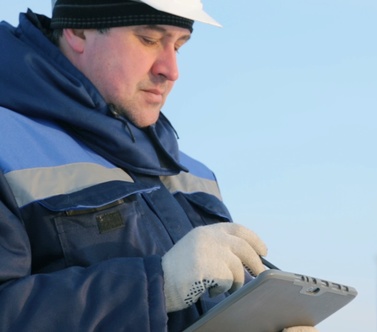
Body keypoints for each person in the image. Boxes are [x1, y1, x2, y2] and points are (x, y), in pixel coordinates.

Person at [0, 0, 318, 331]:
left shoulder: (193, 174)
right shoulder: (7, 145)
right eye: (149, 39)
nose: (171, 69)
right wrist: (157, 286)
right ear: (79, 30)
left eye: (179, 46)